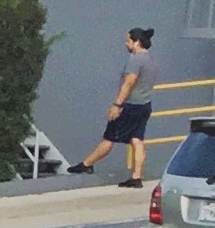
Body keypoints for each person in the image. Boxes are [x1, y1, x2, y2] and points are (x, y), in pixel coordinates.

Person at [66, 28, 159, 185]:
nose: (126, 43)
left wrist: (117, 105)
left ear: (136, 42)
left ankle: (86, 165)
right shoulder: (150, 60)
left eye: (128, 41)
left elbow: (129, 83)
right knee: (137, 139)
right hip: (145, 106)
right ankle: (136, 177)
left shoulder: (135, 60)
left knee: (110, 137)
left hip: (129, 106)